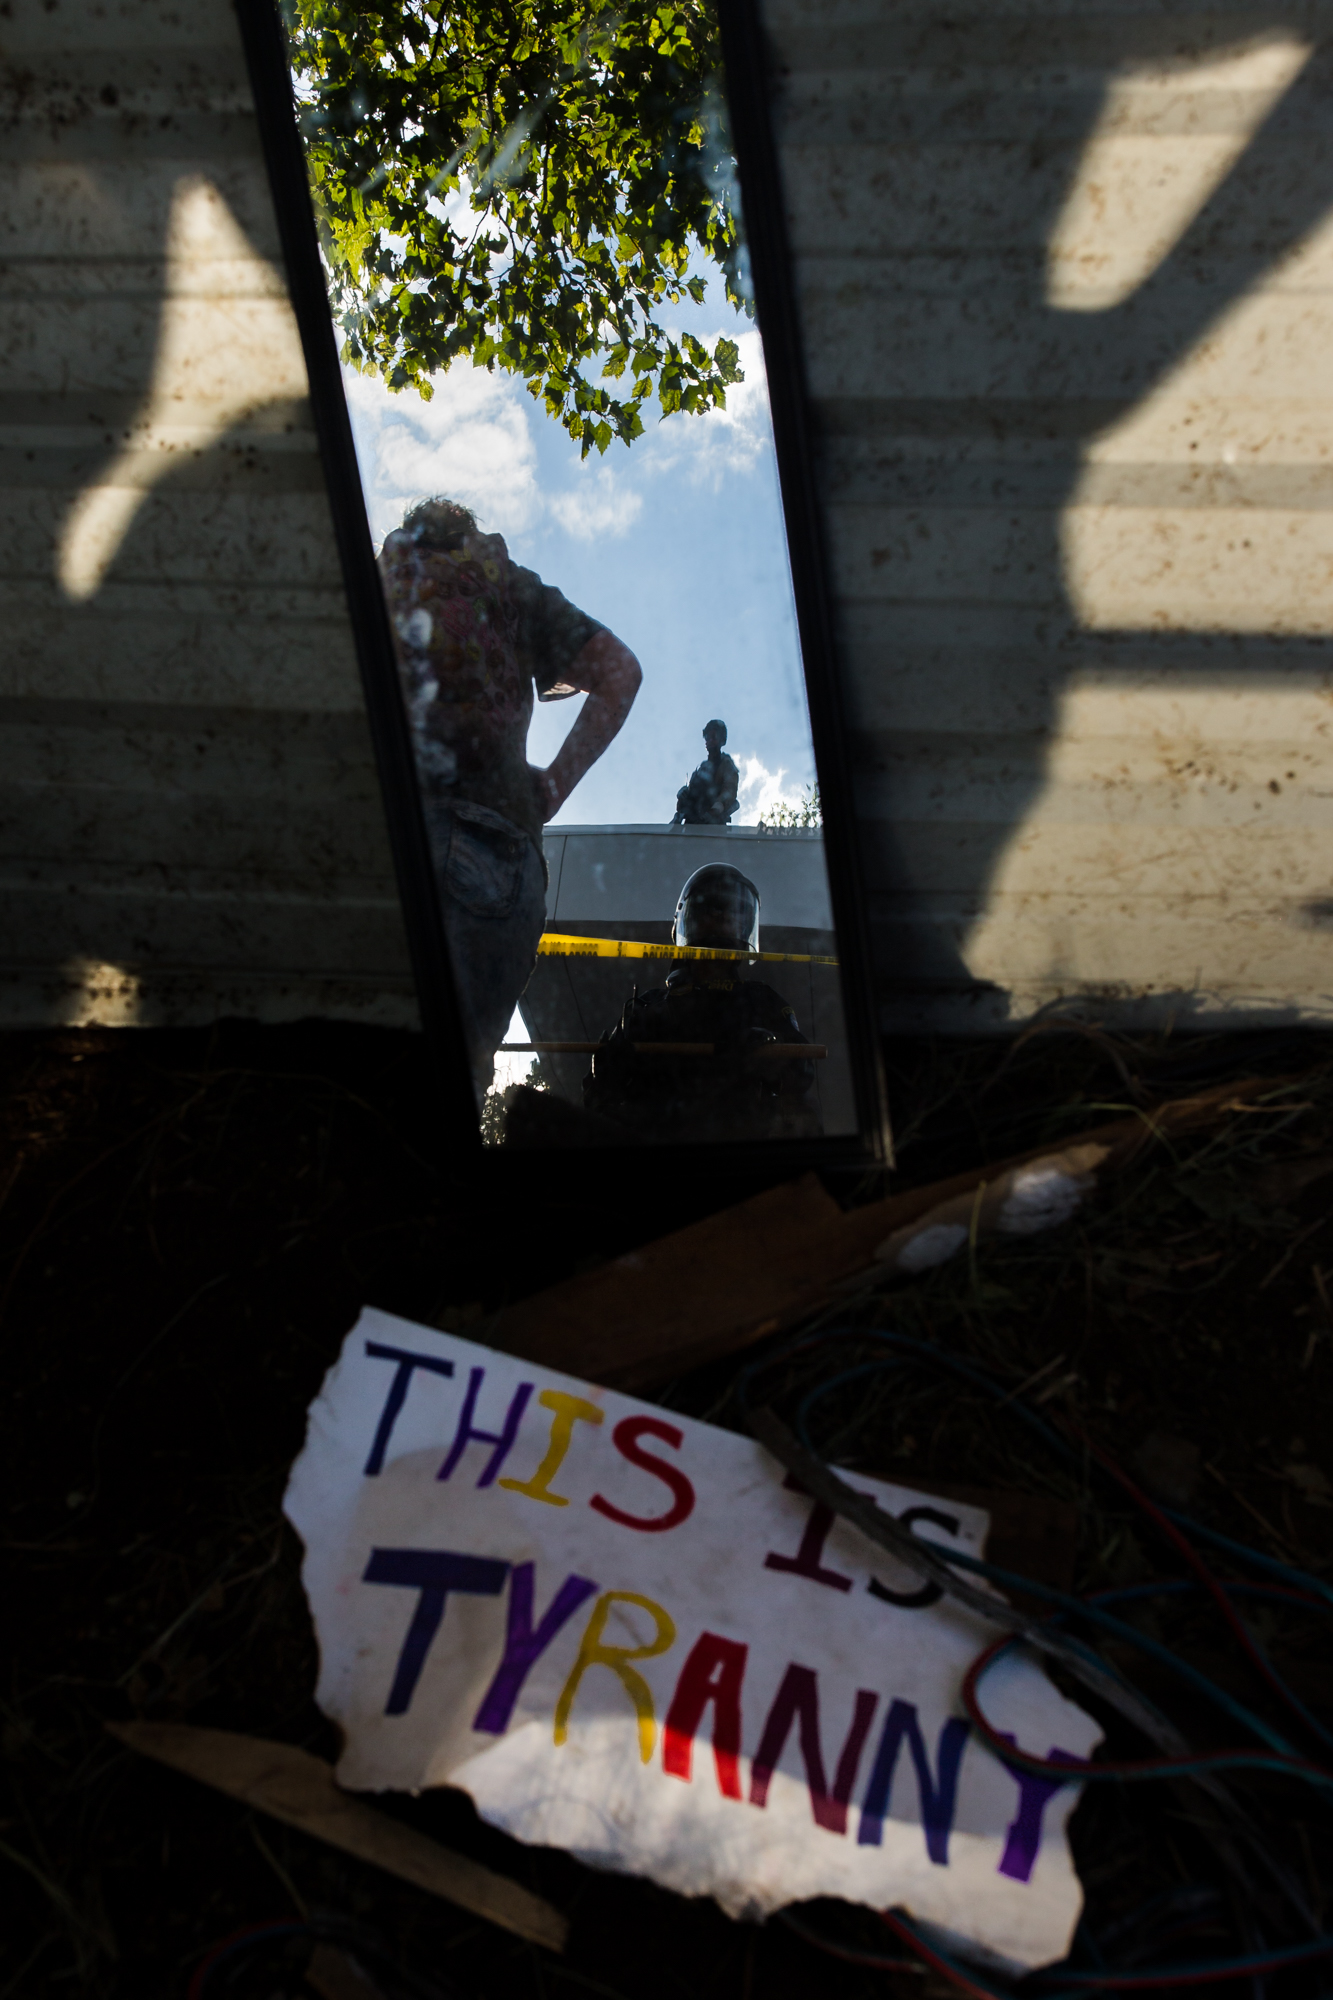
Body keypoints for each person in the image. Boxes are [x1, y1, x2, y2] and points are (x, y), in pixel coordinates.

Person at [379, 498, 641, 1102]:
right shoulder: (508, 584)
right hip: (492, 847)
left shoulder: (379, 583)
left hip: (382, 831)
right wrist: (551, 786)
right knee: (448, 1089)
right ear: (469, 533)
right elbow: (620, 672)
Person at [581, 863, 820, 1142]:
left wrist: (772, 1057)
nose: (723, 916)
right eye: (713, 907)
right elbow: (596, 1104)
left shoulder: (762, 1000)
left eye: (735, 911)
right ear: (688, 919)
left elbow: (803, 1074)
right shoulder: (649, 1006)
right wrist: (607, 1073)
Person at [671, 719, 739, 825]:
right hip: (691, 826)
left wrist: (716, 810)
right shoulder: (702, 769)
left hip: (712, 828)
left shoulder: (726, 765)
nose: (710, 741)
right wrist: (682, 796)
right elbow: (686, 802)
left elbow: (729, 791)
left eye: (714, 737)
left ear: (722, 740)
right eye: (707, 737)